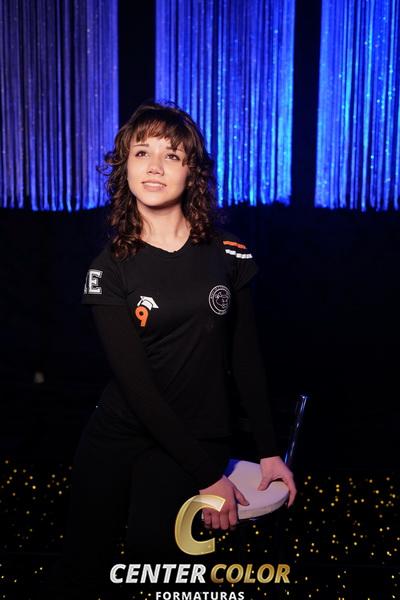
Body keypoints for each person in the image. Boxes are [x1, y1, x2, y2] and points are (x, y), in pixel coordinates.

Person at [41, 101, 296, 599]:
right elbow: (136, 388)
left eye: (172, 155)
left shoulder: (230, 254)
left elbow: (245, 359)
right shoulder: (108, 268)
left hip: (197, 435)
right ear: (125, 167)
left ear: (191, 171)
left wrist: (268, 451)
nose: (155, 166)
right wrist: (210, 477)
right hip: (118, 434)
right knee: (81, 571)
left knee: (156, 570)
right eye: (142, 152)